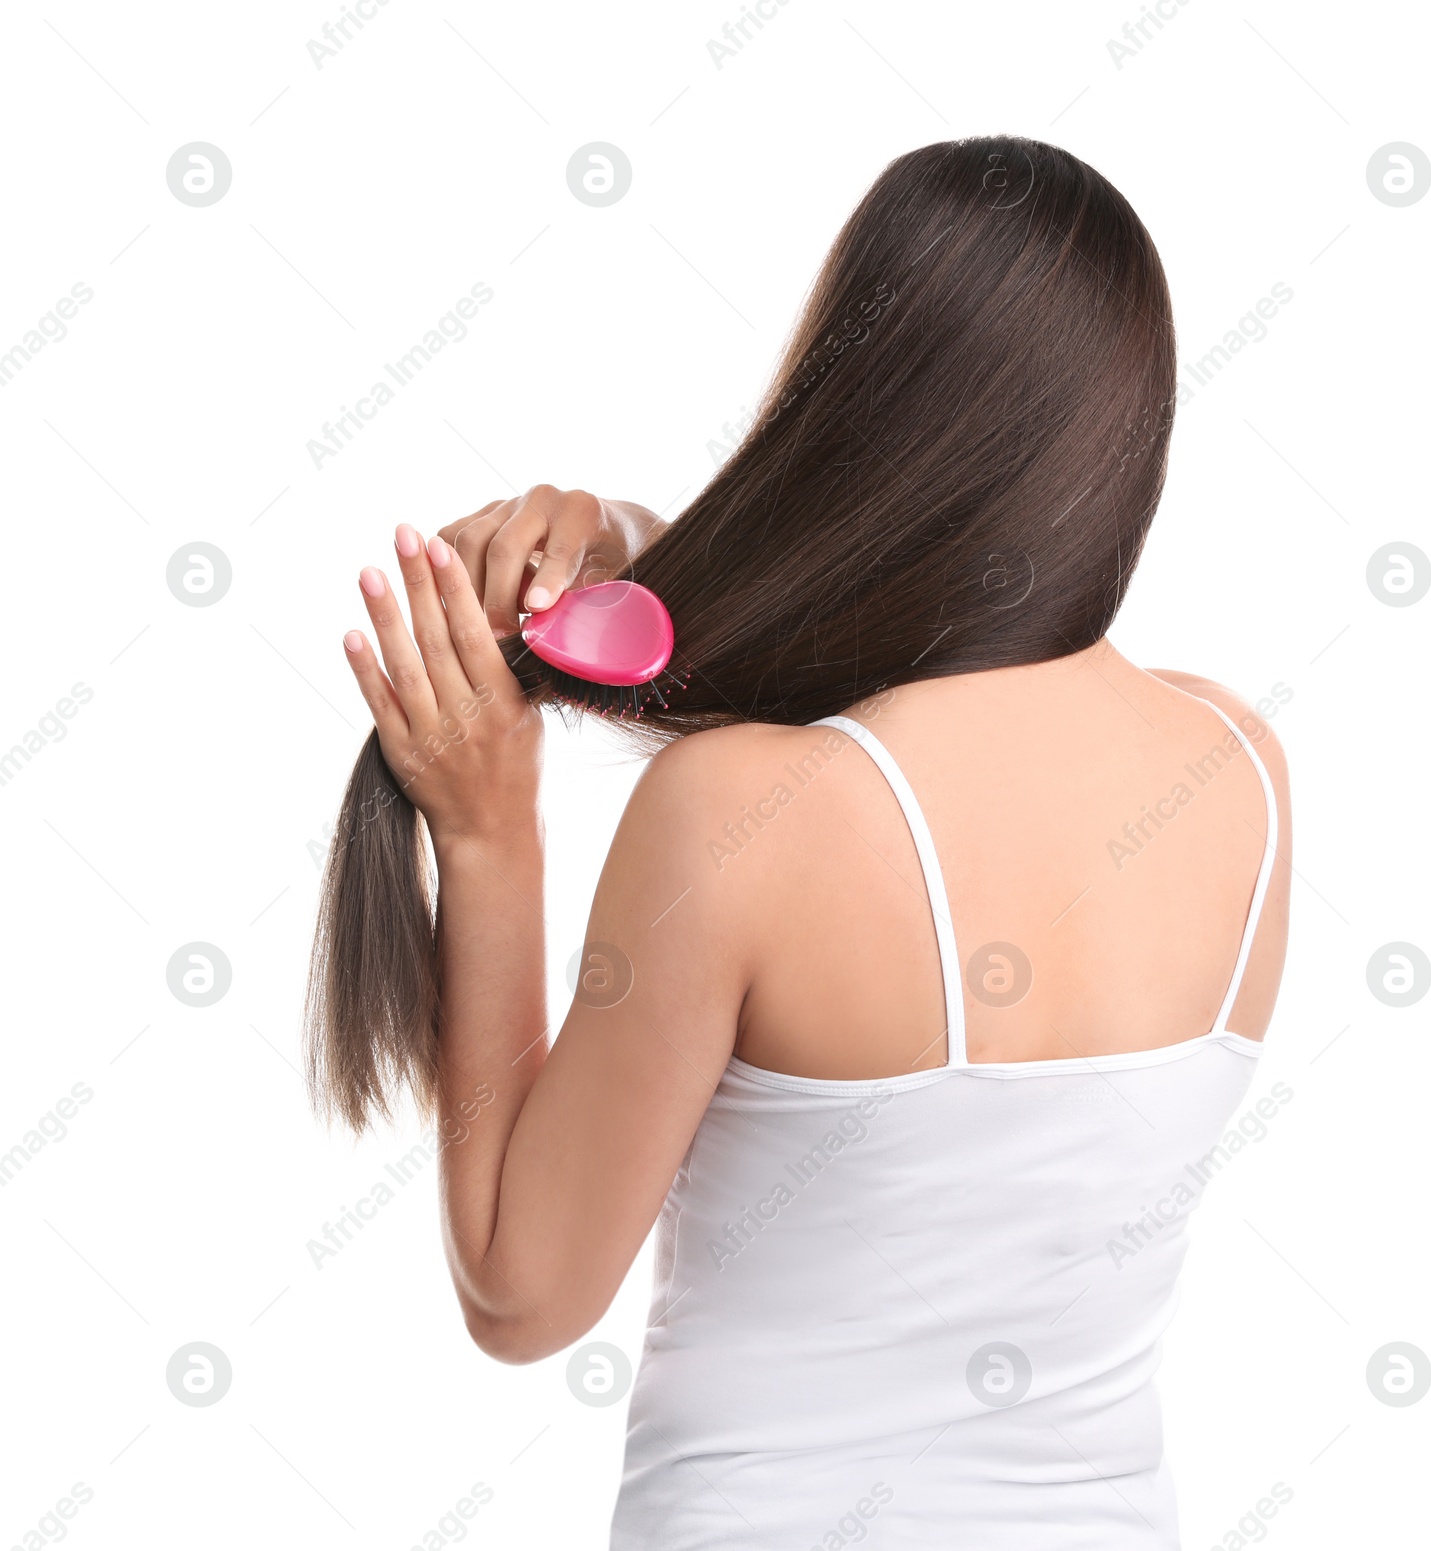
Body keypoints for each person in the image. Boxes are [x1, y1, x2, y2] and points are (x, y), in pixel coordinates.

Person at [307, 135, 1292, 1548]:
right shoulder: (1237, 773)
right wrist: (643, 554)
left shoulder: (737, 818)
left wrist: (486, 833)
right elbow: (921, 687)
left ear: (857, 409)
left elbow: (523, 1291)